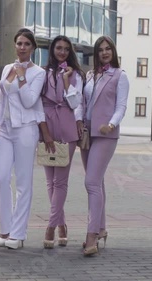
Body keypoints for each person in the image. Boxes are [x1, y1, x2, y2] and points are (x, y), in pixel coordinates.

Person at [0, 28, 46, 249]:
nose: (22, 47)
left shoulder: (38, 73)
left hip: (26, 129)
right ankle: (5, 228)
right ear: (15, 45)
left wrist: (22, 76)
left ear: (32, 48)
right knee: (1, 178)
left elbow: (30, 101)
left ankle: (18, 233)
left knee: (23, 182)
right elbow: (1, 99)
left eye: (26, 44)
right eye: (19, 43)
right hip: (5, 129)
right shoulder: (6, 68)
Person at [80, 35, 129, 256]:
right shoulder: (90, 75)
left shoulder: (120, 76)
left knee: (90, 182)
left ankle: (91, 236)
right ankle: (101, 228)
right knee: (97, 183)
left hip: (106, 134)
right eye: (100, 50)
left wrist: (111, 124)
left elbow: (121, 106)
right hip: (87, 134)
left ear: (114, 51)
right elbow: (83, 102)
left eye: (108, 49)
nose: (104, 52)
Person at [38, 35, 85, 249]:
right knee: (50, 181)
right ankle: (62, 224)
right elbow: (37, 102)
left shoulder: (76, 75)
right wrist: (44, 132)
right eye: (59, 48)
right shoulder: (43, 73)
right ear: (52, 49)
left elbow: (76, 102)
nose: (62, 52)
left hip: (67, 124)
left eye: (66, 49)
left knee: (60, 181)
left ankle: (50, 226)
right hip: (47, 124)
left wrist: (67, 82)